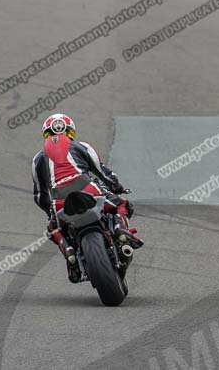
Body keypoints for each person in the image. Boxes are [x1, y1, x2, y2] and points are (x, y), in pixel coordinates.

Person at [31, 113, 143, 283]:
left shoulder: (37, 160)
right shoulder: (82, 146)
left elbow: (40, 195)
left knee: (54, 229)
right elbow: (103, 172)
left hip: (59, 201)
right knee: (122, 204)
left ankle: (70, 253)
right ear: (71, 132)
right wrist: (117, 187)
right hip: (88, 188)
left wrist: (51, 213)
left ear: (46, 134)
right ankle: (120, 230)